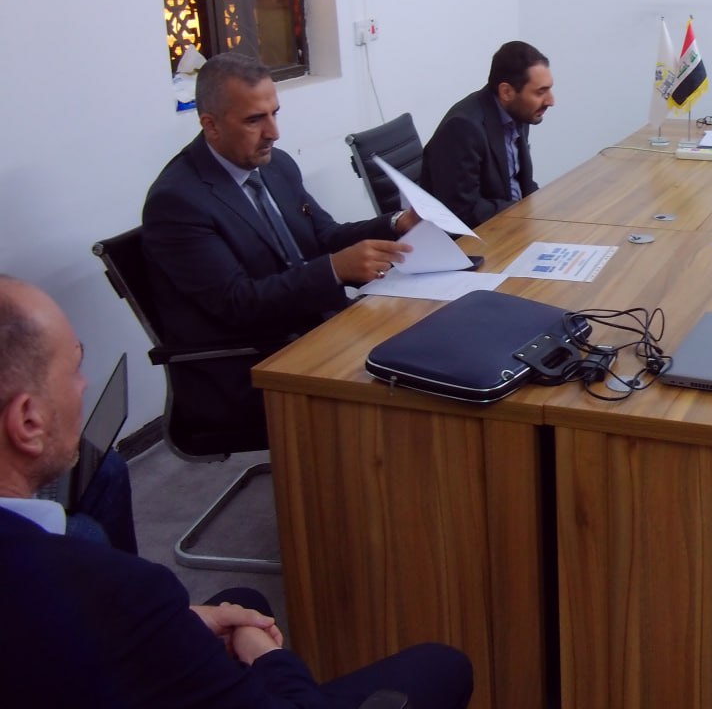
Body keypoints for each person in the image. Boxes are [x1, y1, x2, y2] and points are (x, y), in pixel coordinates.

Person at [0, 275, 474, 708]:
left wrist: (183, 621)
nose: (84, 385)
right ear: (28, 421)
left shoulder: (92, 592)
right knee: (441, 664)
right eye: (75, 368)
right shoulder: (116, 592)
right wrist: (269, 658)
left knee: (244, 601)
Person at [143, 51, 421, 452]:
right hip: (248, 364)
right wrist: (333, 270)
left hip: (310, 329)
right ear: (210, 125)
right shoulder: (178, 202)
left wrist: (394, 224)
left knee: (425, 346)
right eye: (254, 120)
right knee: (405, 393)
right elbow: (238, 303)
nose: (273, 132)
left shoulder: (276, 166)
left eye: (275, 113)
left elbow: (324, 235)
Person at [421, 41, 554, 229]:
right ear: (506, 92)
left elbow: (522, 182)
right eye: (540, 92)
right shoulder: (463, 128)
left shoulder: (520, 112)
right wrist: (522, 213)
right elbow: (463, 211)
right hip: (479, 235)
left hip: (514, 223)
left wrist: (544, 210)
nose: (550, 101)